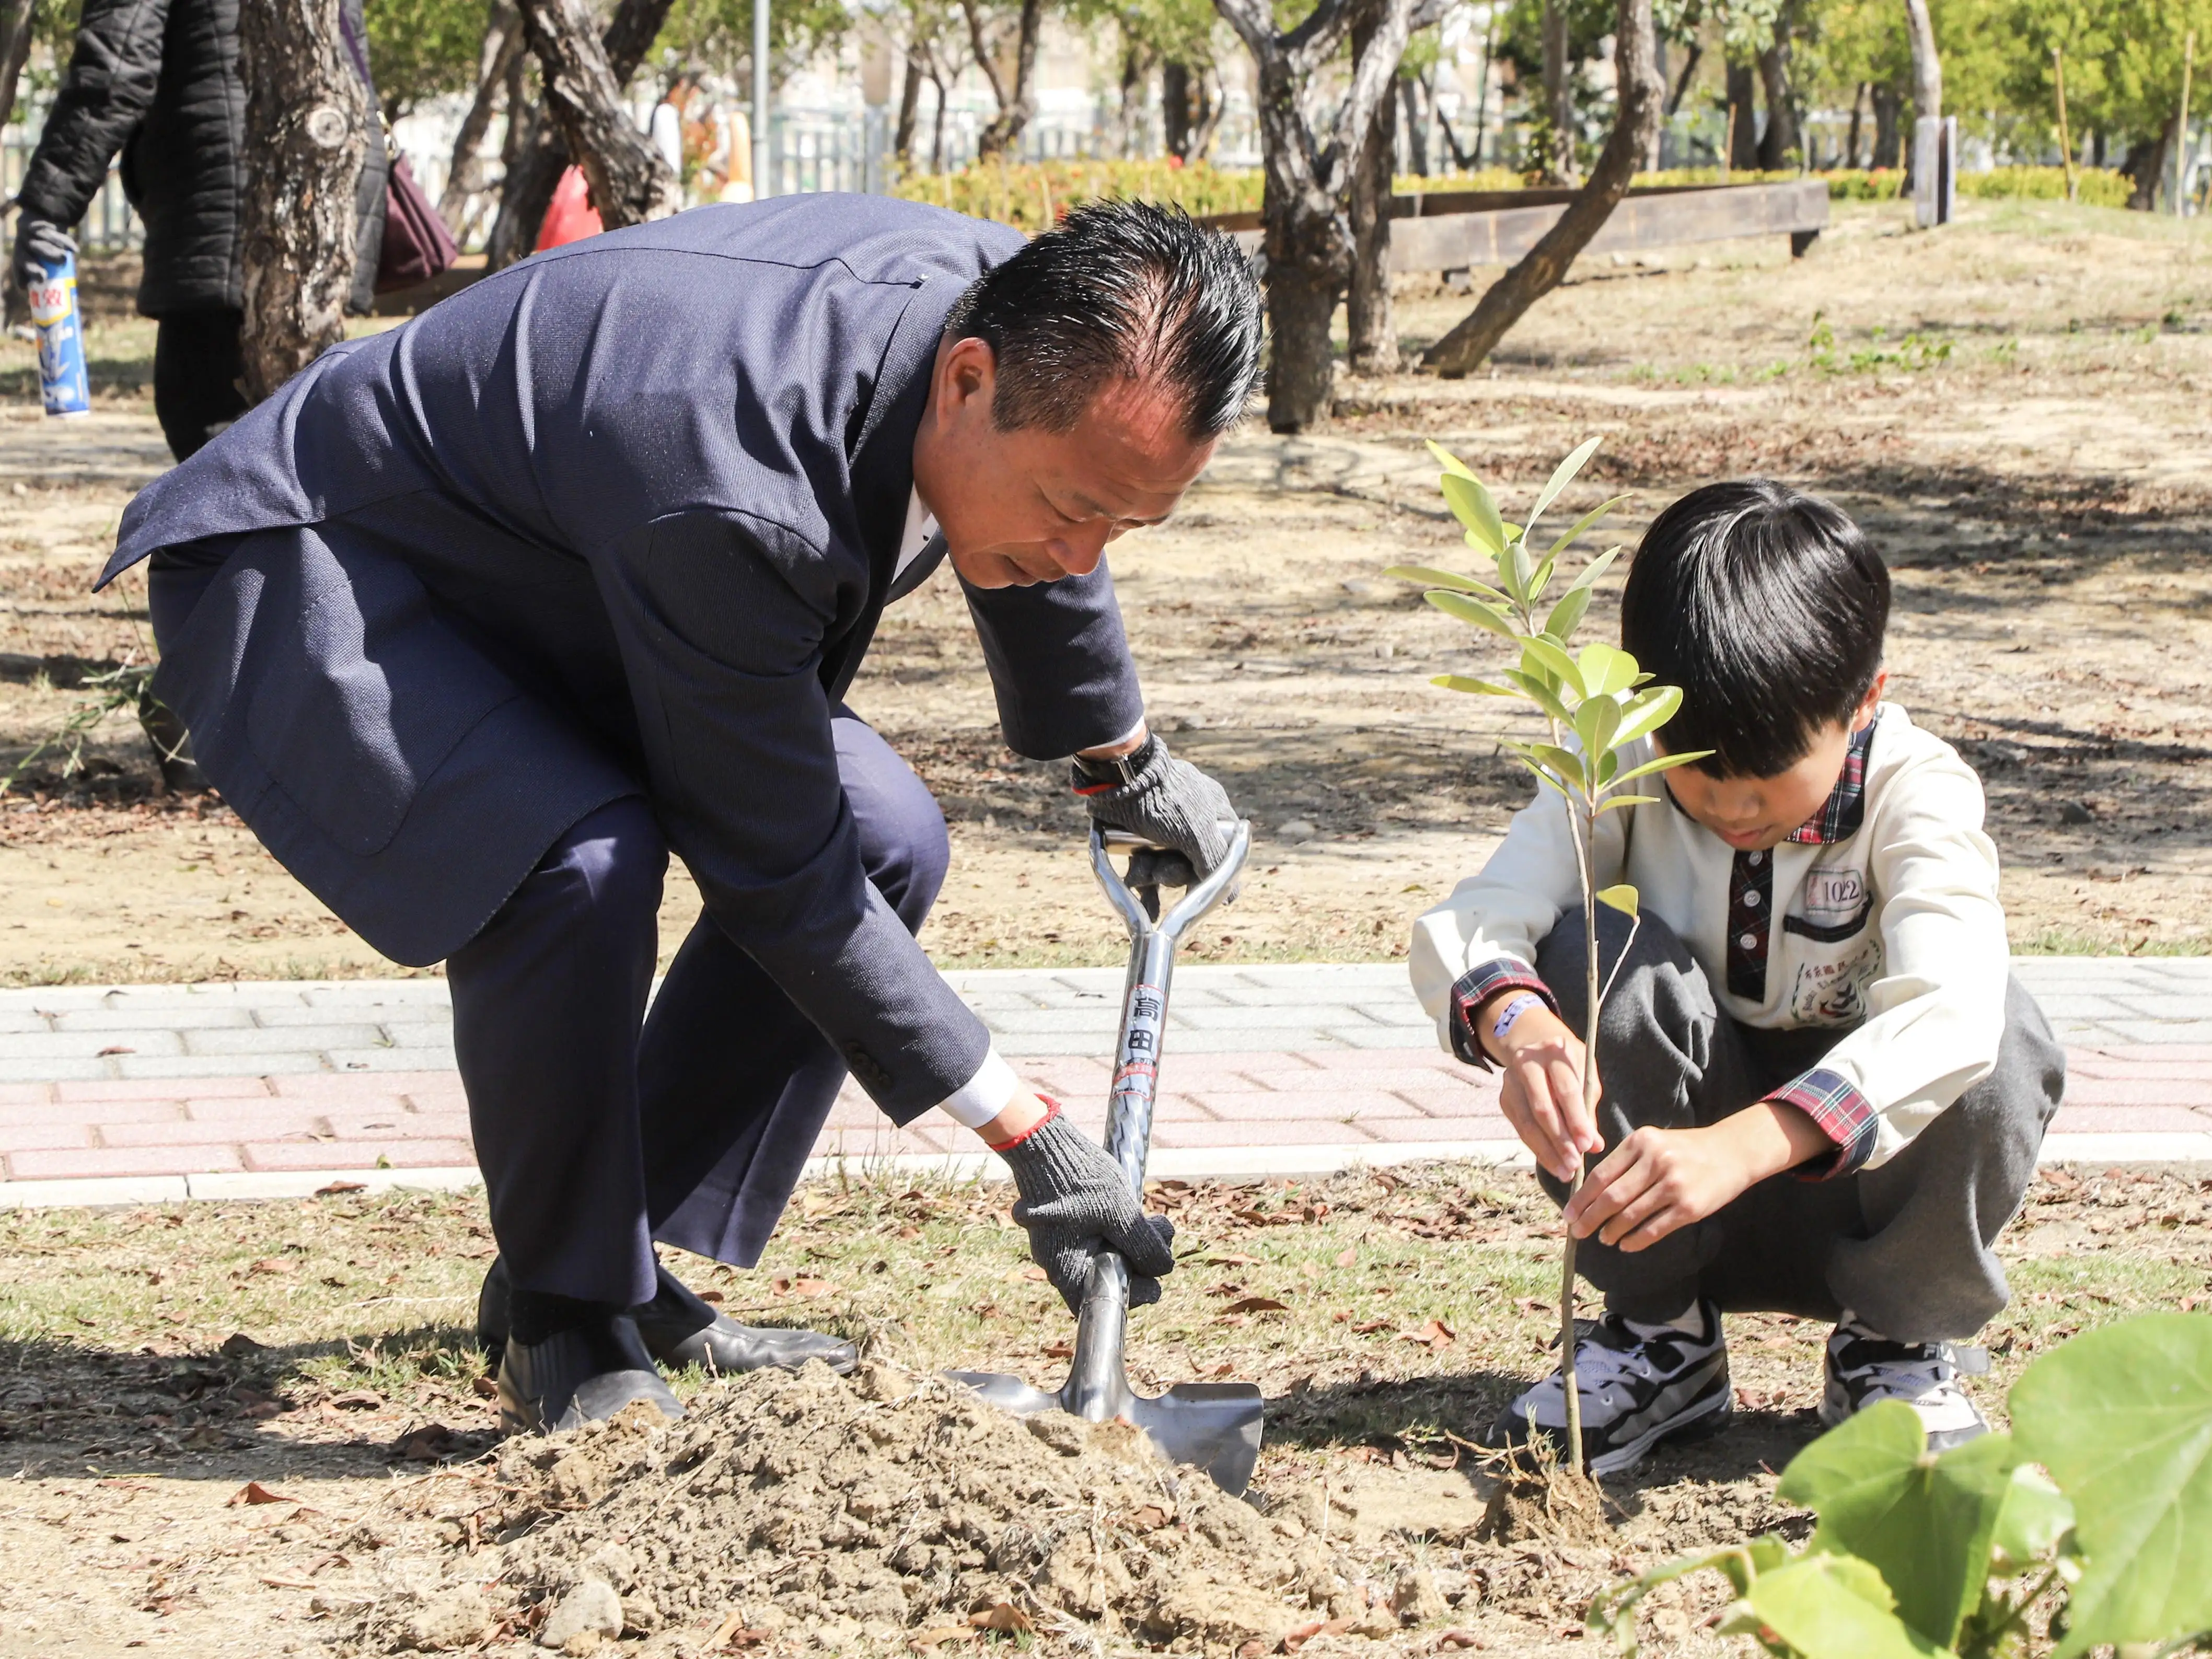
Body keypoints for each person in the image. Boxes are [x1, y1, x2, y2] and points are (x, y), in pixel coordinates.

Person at [96, 194, 1263, 1434]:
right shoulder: (739, 478)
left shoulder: (1031, 312)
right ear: (967, 380)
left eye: (1127, 523)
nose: (1083, 553)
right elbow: (782, 876)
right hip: (329, 560)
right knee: (574, 861)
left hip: (569, 564)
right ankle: (565, 1311)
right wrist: (1028, 1134)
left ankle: (607, 1258)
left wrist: (1118, 757)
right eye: (1073, 510)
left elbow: (1045, 521)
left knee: (886, 835)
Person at [1410, 480, 2065, 1475]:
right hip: (1658, 1206)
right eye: (1694, 765)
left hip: (1868, 1202)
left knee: (1999, 1037)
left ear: (1864, 700)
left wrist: (1745, 1144)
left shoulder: (1915, 789)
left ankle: (1892, 1348)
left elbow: (1952, 1007)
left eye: (1766, 773)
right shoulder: (1610, 765)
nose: (1729, 805)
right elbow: (1485, 911)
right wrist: (1519, 1027)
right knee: (1586, 957)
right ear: (1644, 706)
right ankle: (1658, 1337)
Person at [7, 0, 387, 462]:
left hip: (228, 200)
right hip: (331, 195)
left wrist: (48, 206)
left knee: (215, 438)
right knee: (297, 439)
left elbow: (116, 68)